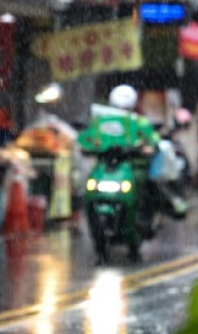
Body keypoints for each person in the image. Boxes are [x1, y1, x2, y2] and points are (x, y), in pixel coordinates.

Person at [78, 84, 186, 231]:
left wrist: (148, 146)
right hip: (105, 165)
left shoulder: (139, 122)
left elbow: (152, 138)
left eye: (125, 109)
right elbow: (86, 139)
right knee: (87, 191)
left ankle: (153, 215)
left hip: (131, 164)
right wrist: (86, 146)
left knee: (149, 185)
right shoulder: (100, 122)